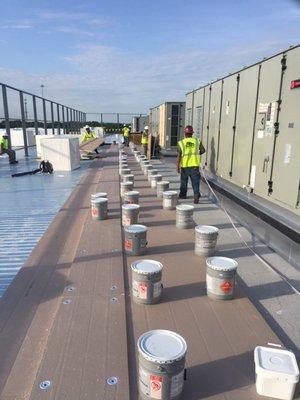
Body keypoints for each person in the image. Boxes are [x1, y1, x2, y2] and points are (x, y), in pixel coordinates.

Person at [177, 125, 205, 204]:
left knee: (184, 182)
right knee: (195, 182)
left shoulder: (181, 143)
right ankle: (196, 196)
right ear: (192, 133)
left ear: (185, 133)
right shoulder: (197, 141)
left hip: (185, 167)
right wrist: (197, 154)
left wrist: (177, 166)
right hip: (194, 166)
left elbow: (179, 155)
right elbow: (203, 150)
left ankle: (183, 195)